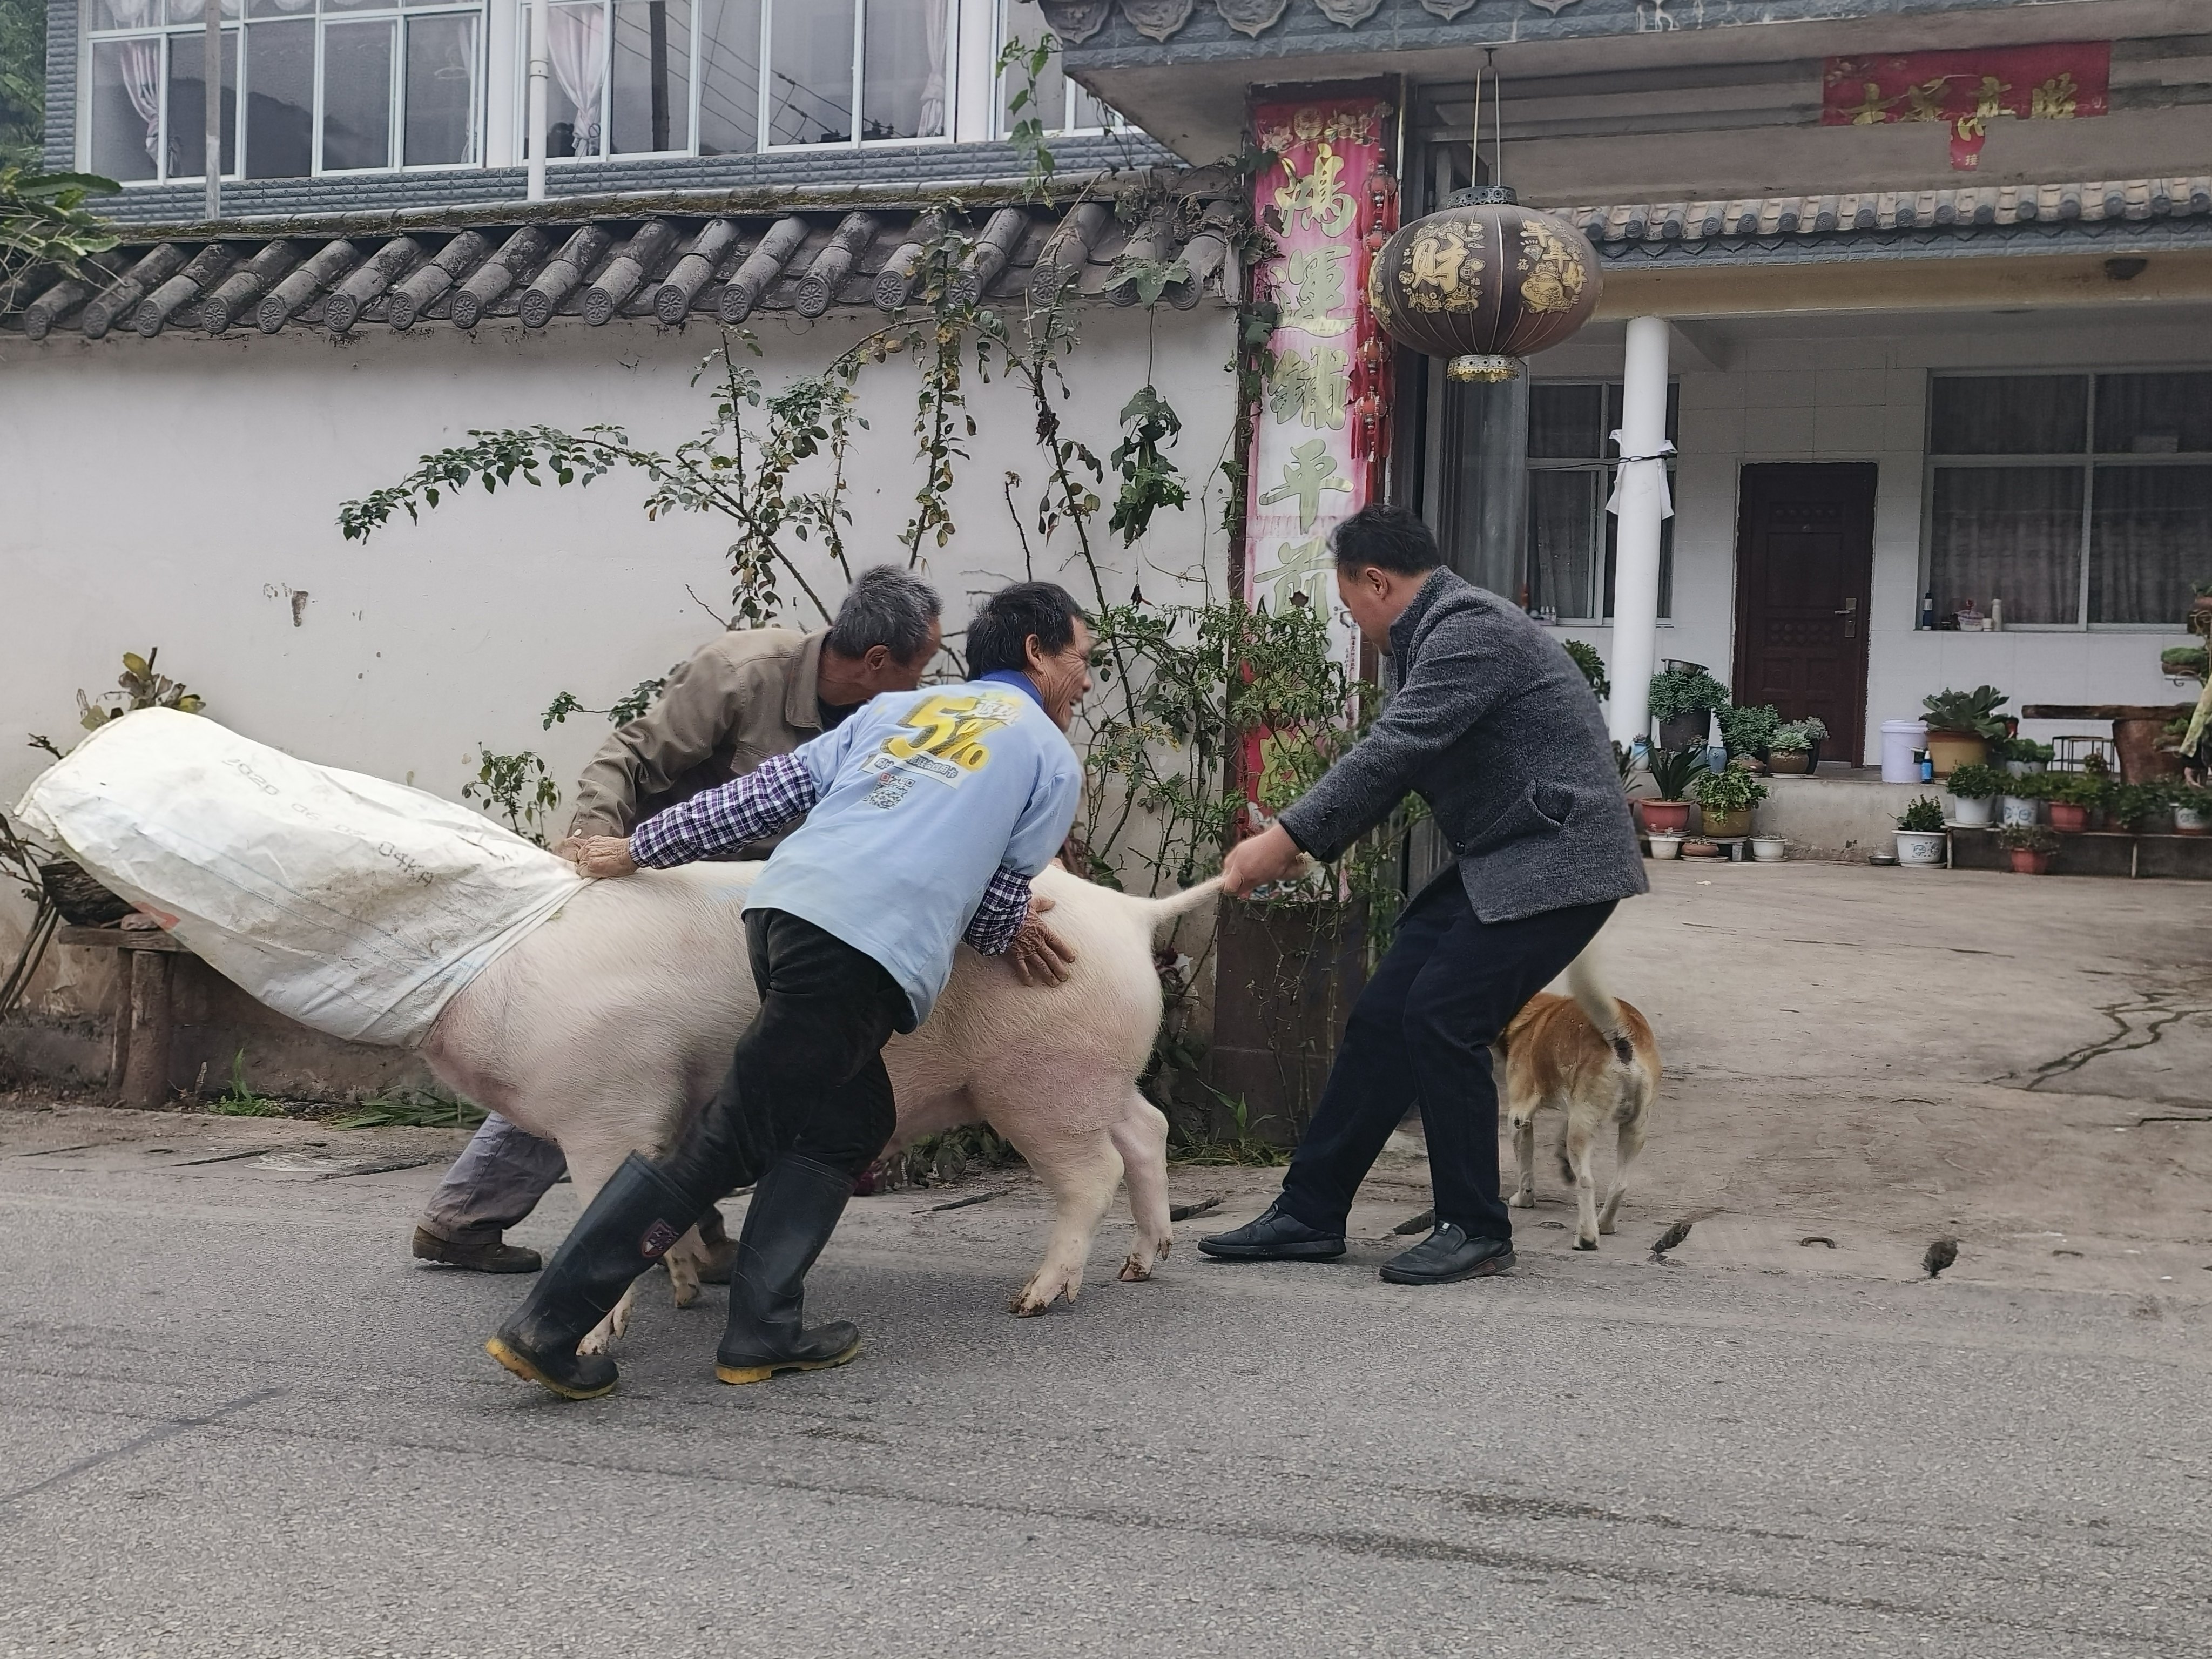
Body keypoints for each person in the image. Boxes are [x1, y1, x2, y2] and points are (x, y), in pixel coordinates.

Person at [484, 581, 1093, 1399]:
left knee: (854, 1117)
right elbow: (994, 897)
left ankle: (763, 1327)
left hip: (783, 919)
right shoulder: (1050, 758)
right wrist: (1016, 926)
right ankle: (550, 1325)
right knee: (729, 1139)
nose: (1085, 680)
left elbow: (758, 798)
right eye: (1081, 660)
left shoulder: (896, 713)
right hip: (861, 951)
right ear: (1036, 653)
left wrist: (639, 848)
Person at [410, 565, 951, 1276]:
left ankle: (678, 1230)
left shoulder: (889, 718)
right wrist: (588, 849)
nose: (925, 687)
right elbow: (627, 757)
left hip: (753, 916)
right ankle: (468, 1217)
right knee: (596, 1066)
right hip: (657, 898)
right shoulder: (741, 673)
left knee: (702, 1071)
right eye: (922, 667)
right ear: (877, 661)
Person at [1199, 504, 1647, 1285]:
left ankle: (1475, 1226)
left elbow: (1394, 752)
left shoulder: (1467, 630)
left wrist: (1287, 837)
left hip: (1558, 861)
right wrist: (1307, 842)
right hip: (1507, 857)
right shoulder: (1437, 634)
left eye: (1351, 609)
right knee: (1384, 1018)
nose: (1359, 628)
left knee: (1443, 1016)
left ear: (1376, 581)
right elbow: (1399, 761)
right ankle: (1310, 1212)